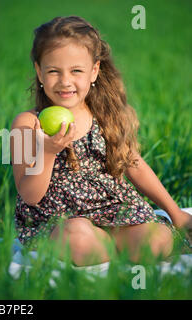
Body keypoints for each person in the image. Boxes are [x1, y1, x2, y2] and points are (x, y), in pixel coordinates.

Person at [11, 16, 192, 266]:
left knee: (155, 241)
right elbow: (29, 195)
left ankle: (113, 247)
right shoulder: (26, 124)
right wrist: (48, 152)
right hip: (60, 221)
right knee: (78, 240)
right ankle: (106, 250)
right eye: (53, 71)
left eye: (76, 70)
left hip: (114, 211)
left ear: (94, 71)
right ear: (39, 71)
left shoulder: (105, 116)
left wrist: (176, 213)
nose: (65, 81)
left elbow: (134, 165)